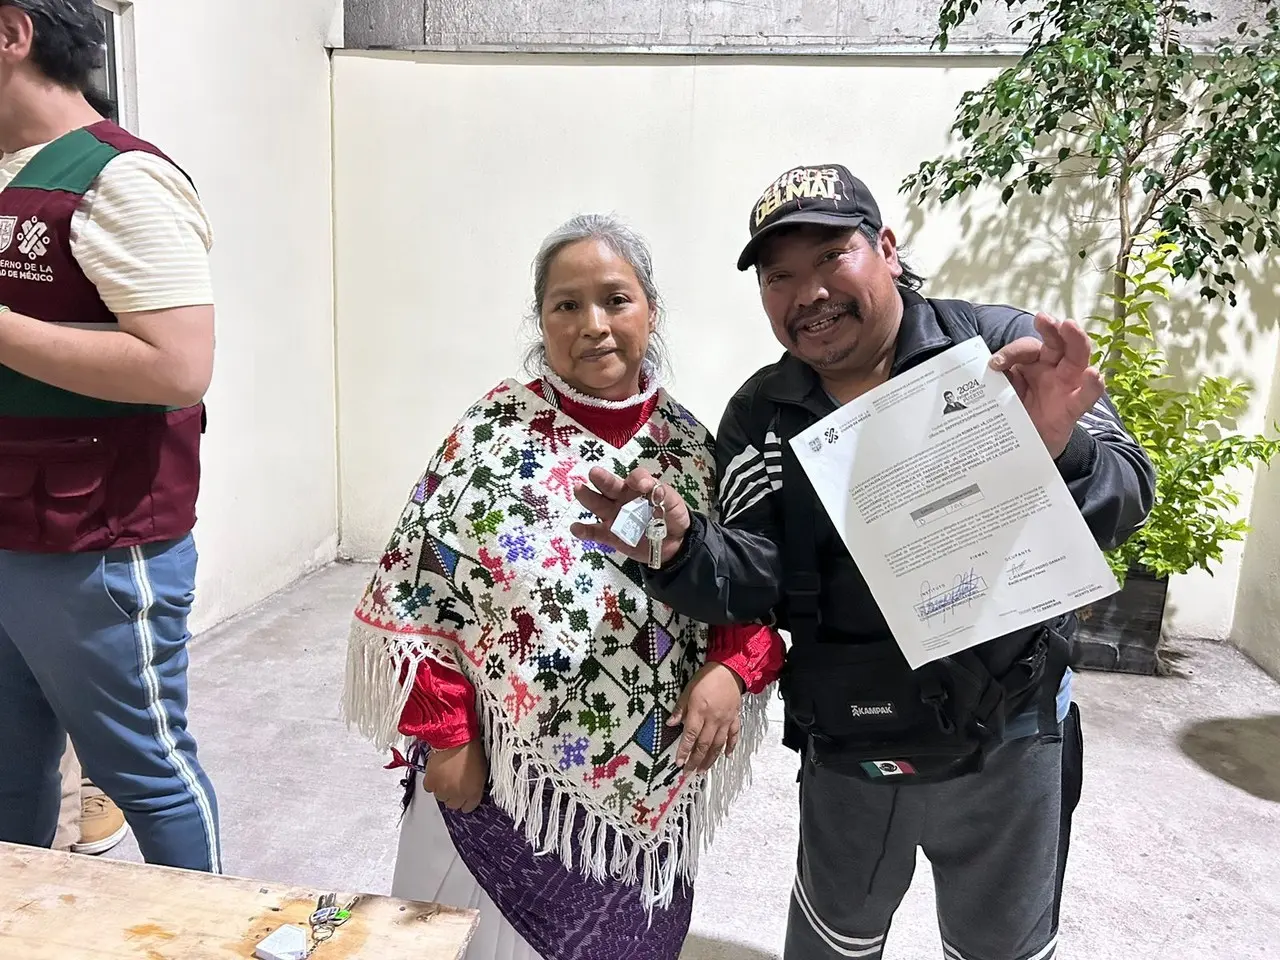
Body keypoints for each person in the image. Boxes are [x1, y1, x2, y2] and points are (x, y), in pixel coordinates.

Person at [572, 164, 1156, 960]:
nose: (808, 293)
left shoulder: (993, 353)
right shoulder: (763, 414)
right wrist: (681, 549)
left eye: (830, 258)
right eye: (780, 276)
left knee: (1006, 951)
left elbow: (1130, 492)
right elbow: (755, 578)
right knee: (832, 945)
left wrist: (1059, 451)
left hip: (1013, 735)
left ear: (886, 246)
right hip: (852, 742)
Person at [342, 213, 784, 960]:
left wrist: (731, 669)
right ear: (540, 319)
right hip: (496, 785)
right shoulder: (488, 438)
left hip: (653, 776)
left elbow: (746, 588)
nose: (594, 325)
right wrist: (446, 735)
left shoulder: (693, 448)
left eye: (616, 299)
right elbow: (417, 596)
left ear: (652, 311)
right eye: (566, 305)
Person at [0, 0, 220, 873]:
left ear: (12, 33)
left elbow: (177, 366)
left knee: (146, 775)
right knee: (10, 778)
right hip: (16, 528)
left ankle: (207, 931)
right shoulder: (14, 174)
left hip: (96, 542)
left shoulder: (120, 179)